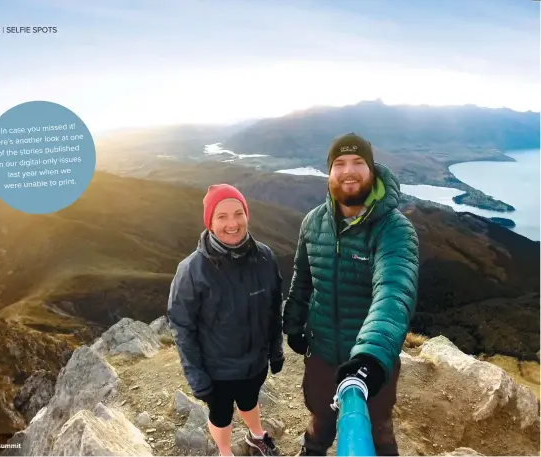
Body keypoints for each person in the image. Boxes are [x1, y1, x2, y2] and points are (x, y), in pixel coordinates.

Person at [283, 132, 420, 456]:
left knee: (378, 431)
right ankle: (312, 450)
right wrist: (293, 323)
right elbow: (302, 280)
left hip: (372, 358)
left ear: (372, 170)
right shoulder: (313, 223)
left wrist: (369, 358)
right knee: (320, 418)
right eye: (340, 163)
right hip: (322, 351)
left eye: (358, 162)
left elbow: (394, 291)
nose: (348, 170)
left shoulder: (394, 229)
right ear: (329, 172)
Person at [167, 183, 284, 456]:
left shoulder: (264, 258)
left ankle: (257, 436)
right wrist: (196, 377)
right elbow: (182, 327)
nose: (232, 223)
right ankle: (225, 452)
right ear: (209, 222)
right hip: (216, 370)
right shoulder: (191, 271)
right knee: (221, 415)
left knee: (249, 400)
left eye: (238, 213)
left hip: (255, 362)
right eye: (221, 216)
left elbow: (273, 308)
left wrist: (275, 350)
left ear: (247, 215)